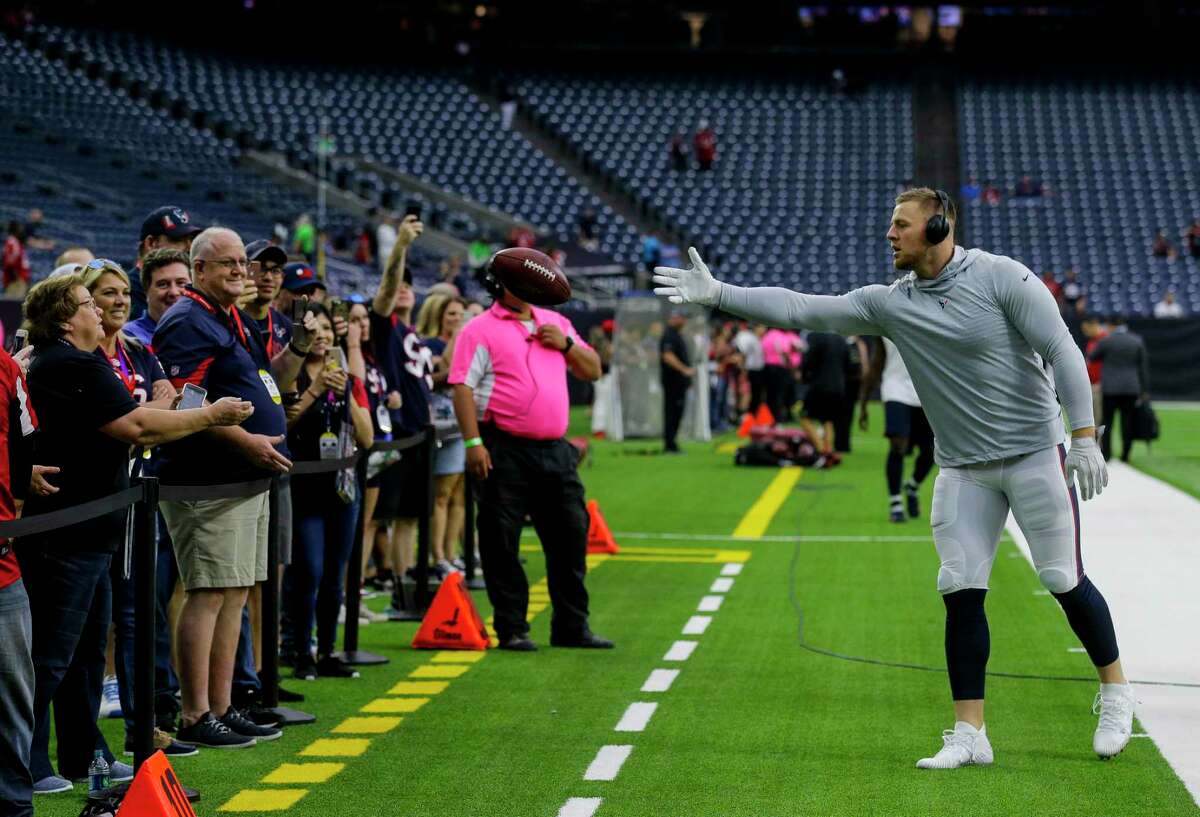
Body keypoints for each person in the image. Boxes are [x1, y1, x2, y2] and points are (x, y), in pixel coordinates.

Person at [653, 187, 1133, 767]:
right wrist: (721, 294)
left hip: (1033, 451)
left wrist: (1082, 435)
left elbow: (1062, 349)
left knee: (1061, 576)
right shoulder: (890, 302)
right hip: (963, 464)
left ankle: (1114, 690)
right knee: (959, 588)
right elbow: (804, 308)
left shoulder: (1003, 276)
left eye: (901, 224)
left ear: (938, 227)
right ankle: (970, 732)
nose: (890, 234)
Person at [18, 270, 252, 792]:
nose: (98, 310)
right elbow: (136, 427)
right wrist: (211, 415)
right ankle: (25, 762)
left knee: (80, 659)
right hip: (68, 534)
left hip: (91, 530)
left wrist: (173, 410)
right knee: (52, 656)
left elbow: (133, 417)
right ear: (63, 317)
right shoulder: (69, 364)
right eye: (86, 303)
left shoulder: (78, 364)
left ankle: (83, 755)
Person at [153, 228, 305, 749]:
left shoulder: (227, 314)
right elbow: (180, 403)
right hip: (207, 476)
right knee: (209, 591)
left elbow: (262, 381)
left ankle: (221, 704)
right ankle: (196, 712)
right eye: (227, 264)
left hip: (242, 476)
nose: (241, 271)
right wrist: (244, 442)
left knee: (235, 593)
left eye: (242, 262)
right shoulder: (188, 320)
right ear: (199, 271)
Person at [449, 262, 611, 652]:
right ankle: (512, 627)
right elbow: (462, 387)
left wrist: (567, 344)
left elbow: (594, 371)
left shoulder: (555, 322)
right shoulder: (479, 329)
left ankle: (572, 625)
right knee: (500, 539)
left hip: (554, 450)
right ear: (503, 285)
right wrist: (473, 444)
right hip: (503, 446)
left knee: (571, 534)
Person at [82, 260, 195, 758]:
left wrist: (158, 415)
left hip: (139, 500)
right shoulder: (81, 359)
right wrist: (159, 413)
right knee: (91, 623)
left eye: (122, 292)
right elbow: (145, 420)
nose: (118, 301)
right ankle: (81, 739)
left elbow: (165, 414)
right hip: (93, 502)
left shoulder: (136, 351)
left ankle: (141, 725)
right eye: (105, 294)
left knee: (135, 616)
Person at [283, 303, 373, 679]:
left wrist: (347, 393)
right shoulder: (290, 375)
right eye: (313, 330)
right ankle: (301, 650)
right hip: (304, 485)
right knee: (309, 571)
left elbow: (367, 436)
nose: (321, 336)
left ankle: (328, 650)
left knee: (336, 573)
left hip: (341, 488)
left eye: (326, 331)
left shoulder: (346, 378)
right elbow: (283, 424)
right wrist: (317, 390)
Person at [369, 216, 434, 606]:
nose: (404, 290)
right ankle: (386, 582)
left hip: (420, 432)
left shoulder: (414, 335)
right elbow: (387, 291)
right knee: (381, 519)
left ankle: (407, 584)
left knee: (410, 516)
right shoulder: (385, 327)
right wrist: (401, 247)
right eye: (400, 285)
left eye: (411, 285)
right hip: (396, 433)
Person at [0, 344, 37, 816]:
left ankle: (13, 805)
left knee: (12, 696)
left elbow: (27, 439)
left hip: (2, 566)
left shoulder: (6, 367)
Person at [417, 294, 468, 576]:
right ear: (437, 315)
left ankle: (451, 552)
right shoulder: (429, 345)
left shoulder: (462, 342)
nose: (457, 320)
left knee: (457, 496)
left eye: (460, 314)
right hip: (439, 424)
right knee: (441, 494)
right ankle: (437, 555)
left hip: (460, 424)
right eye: (451, 314)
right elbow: (446, 375)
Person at [859, 337, 935, 522]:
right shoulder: (886, 320)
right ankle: (896, 504)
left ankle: (912, 486)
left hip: (926, 391)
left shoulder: (935, 313)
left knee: (932, 451)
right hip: (895, 389)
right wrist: (864, 403)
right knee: (898, 445)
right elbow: (878, 361)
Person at [1088, 317, 1149, 463]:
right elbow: (1142, 368)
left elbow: (1093, 357)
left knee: (1107, 421)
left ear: (1110, 326)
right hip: (1131, 388)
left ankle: (1107, 454)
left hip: (1110, 388)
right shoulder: (1136, 341)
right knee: (1127, 421)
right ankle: (1125, 454)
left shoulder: (1106, 341)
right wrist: (1144, 390)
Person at [129, 206, 203, 321]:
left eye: (190, 240)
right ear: (151, 243)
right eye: (178, 240)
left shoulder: (194, 285)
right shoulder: (127, 289)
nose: (189, 247)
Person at [124, 248, 191, 347]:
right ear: (146, 291)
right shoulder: (129, 339)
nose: (173, 292)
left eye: (181, 283)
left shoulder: (206, 334)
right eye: (163, 284)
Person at [799, 331, 847, 464]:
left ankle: (821, 451)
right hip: (838, 386)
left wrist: (804, 376)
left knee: (804, 418)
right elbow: (847, 363)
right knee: (828, 420)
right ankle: (829, 450)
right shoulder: (841, 338)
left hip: (819, 385)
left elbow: (808, 360)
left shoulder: (815, 336)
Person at [659, 308, 695, 454]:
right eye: (682, 317)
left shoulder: (675, 334)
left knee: (676, 412)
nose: (684, 321)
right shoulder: (669, 335)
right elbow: (667, 356)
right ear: (674, 318)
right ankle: (670, 445)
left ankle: (672, 443)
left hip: (678, 382)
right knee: (672, 412)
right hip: (673, 381)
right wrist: (684, 369)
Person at [732, 323, 766, 415]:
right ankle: (741, 414)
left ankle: (750, 414)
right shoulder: (748, 337)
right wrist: (743, 369)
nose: (764, 330)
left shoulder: (757, 338)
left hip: (756, 370)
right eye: (762, 327)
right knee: (745, 393)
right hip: (748, 370)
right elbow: (742, 354)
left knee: (753, 393)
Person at [3, 221, 30, 298]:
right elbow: (10, 262)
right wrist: (17, 277)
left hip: (18, 279)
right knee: (14, 305)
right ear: (14, 230)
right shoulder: (12, 242)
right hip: (16, 281)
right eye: (19, 228)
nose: (21, 230)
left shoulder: (15, 241)